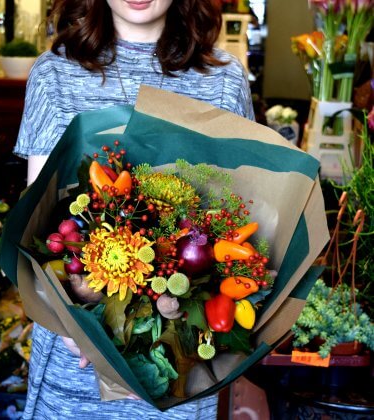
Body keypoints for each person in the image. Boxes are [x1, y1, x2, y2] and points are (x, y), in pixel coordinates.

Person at [14, 0, 255, 418]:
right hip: (76, 365)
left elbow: (240, 213)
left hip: (178, 369)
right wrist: (75, 329)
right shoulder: (55, 75)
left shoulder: (223, 80)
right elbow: (36, 234)